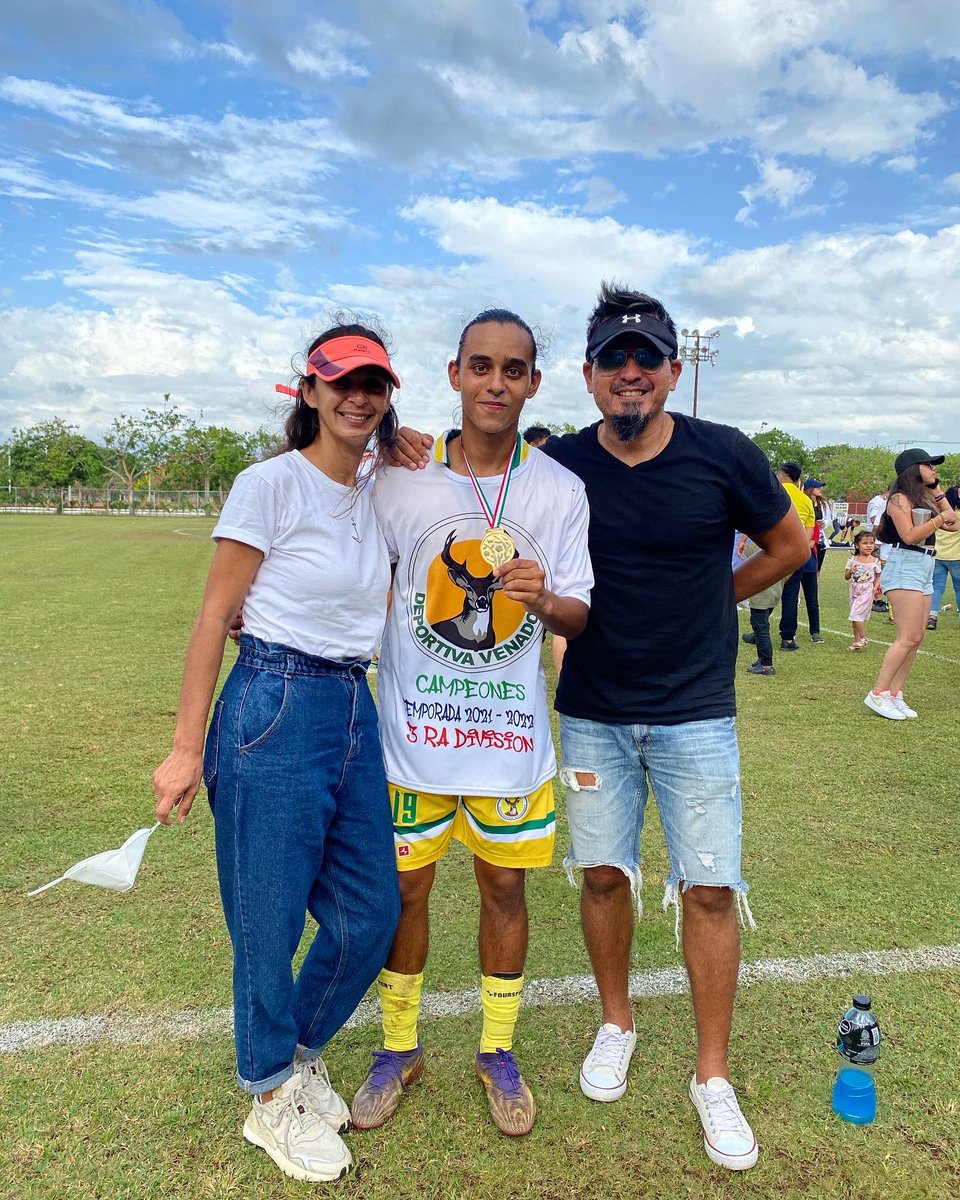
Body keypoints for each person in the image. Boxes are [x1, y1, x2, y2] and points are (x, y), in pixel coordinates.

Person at [537, 284, 807, 1170]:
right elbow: (479, 485)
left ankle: (712, 1075)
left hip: (695, 715)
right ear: (587, 375)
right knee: (605, 877)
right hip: (594, 713)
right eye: (613, 358)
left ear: (673, 369)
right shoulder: (562, 465)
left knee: (711, 888)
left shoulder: (723, 454)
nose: (630, 372)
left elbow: (791, 548)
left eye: (646, 356)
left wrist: (712, 597)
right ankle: (616, 1023)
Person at [151, 324, 403, 1184]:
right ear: (309, 391)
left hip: (351, 704)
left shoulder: (382, 487)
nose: (358, 397)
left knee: (371, 912)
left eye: (372, 383)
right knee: (267, 917)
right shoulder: (270, 484)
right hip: (273, 699)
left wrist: (400, 451)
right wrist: (188, 750)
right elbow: (211, 618)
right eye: (342, 382)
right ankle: (269, 1096)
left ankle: (291, 1053)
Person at [351, 310, 593, 1138]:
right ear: (453, 374)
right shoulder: (397, 479)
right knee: (404, 891)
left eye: (514, 370)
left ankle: (496, 1050)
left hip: (507, 748)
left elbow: (581, 616)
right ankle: (397, 1047)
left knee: (503, 887)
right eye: (481, 366)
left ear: (532, 383)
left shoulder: (559, 489)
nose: (497, 383)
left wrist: (545, 599)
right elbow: (348, 571)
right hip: (412, 741)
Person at [865, 449, 958, 720]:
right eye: (929, 466)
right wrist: (939, 518)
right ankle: (879, 693)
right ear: (913, 468)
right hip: (906, 563)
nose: (934, 469)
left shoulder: (925, 498)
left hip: (925, 565)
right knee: (907, 637)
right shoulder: (898, 499)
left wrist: (938, 492)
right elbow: (908, 535)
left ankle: (895, 694)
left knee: (917, 637)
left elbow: (955, 523)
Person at [776, 462, 822, 648]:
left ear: (781, 475)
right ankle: (788, 638)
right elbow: (810, 528)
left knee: (766, 591)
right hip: (798, 552)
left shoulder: (776, 493)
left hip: (774, 549)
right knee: (791, 594)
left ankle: (759, 630)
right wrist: (800, 550)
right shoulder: (805, 500)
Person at [740, 538, 787, 674]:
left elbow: (746, 570)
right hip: (775, 591)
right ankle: (763, 660)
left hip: (761, 592)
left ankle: (766, 664)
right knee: (761, 624)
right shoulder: (776, 544)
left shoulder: (751, 547)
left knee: (760, 627)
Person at [927, 484, 960, 630]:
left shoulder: (939, 515)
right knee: (958, 587)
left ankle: (932, 617)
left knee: (937, 586)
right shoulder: (957, 516)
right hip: (956, 556)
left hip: (938, 555)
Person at [844, 530, 884, 650]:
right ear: (857, 545)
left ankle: (863, 638)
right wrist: (851, 571)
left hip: (867, 590)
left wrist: (875, 588)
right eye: (865, 543)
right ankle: (857, 641)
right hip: (854, 589)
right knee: (854, 616)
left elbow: (878, 575)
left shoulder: (875, 561)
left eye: (871, 543)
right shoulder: (853, 560)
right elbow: (846, 577)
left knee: (856, 615)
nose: (869, 546)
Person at [803, 478, 831, 574]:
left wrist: (824, 523)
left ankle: (815, 587)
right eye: (817, 487)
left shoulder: (823, 504)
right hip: (807, 537)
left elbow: (828, 519)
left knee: (817, 569)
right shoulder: (804, 501)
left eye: (821, 487)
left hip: (820, 539)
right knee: (803, 569)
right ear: (810, 488)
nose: (820, 489)